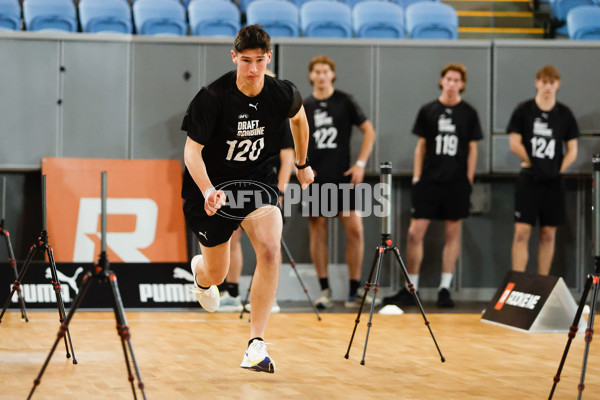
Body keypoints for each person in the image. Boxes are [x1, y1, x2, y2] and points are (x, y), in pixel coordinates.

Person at [181, 25, 314, 373]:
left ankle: (256, 344)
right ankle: (201, 276)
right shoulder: (211, 97)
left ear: (269, 58)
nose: (253, 69)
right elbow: (191, 153)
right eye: (245, 61)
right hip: (213, 187)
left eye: (259, 60)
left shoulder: (281, 92)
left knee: (270, 248)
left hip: (257, 180)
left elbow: (299, 121)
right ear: (234, 57)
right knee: (216, 273)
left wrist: (302, 163)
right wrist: (209, 190)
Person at [384, 63, 483, 308]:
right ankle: (411, 288)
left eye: (456, 80)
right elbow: (421, 146)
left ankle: (444, 289)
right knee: (414, 233)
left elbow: (472, 148)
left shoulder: (468, 113)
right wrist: (417, 177)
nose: (451, 83)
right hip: (429, 180)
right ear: (442, 81)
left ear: (462, 84)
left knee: (453, 234)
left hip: (456, 181)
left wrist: (468, 177)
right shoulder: (428, 110)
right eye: (448, 79)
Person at [302, 55, 376, 309]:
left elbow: (369, 131)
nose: (321, 75)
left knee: (355, 229)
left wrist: (361, 163)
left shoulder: (345, 101)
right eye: (317, 71)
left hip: (343, 176)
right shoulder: (305, 105)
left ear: (332, 75)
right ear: (311, 76)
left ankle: (354, 291)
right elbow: (293, 140)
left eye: (326, 71)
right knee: (317, 229)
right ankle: (324, 289)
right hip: (316, 177)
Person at [508, 65, 579, 275]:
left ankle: (542, 285)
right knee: (522, 231)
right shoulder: (524, 110)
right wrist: (532, 162)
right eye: (544, 82)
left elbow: (572, 150)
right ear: (536, 83)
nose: (547, 86)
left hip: (553, 182)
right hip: (529, 179)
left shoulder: (564, 114)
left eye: (552, 83)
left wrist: (557, 169)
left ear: (558, 85)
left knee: (548, 233)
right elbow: (514, 142)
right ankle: (517, 283)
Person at [219, 121, 295, 313]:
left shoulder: (276, 115)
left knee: (269, 244)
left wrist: (281, 191)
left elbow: (288, 157)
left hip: (266, 188)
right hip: (235, 186)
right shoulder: (232, 114)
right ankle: (233, 294)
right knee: (231, 236)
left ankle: (269, 296)